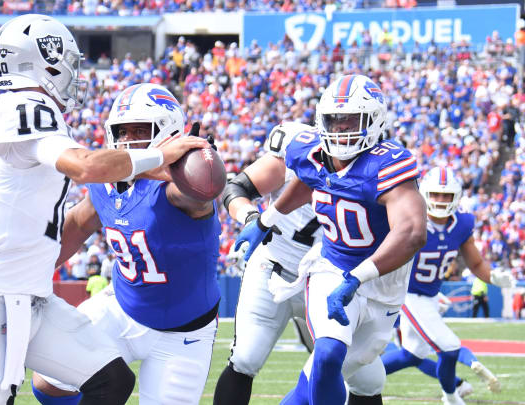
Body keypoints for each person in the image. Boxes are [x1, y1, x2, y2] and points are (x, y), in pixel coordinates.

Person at [0, 16, 207, 405]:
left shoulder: (34, 110)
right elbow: (86, 167)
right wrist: (159, 155)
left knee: (111, 379)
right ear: (43, 61)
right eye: (67, 62)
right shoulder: (23, 107)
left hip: (32, 299)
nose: (72, 73)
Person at [234, 74, 428, 405]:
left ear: (374, 120)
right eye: (334, 121)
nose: (340, 129)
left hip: (382, 282)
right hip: (331, 267)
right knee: (326, 353)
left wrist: (359, 277)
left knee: (320, 378)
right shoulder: (308, 150)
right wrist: (266, 220)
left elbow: (411, 233)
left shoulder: (387, 163)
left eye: (350, 120)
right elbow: (310, 179)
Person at [30, 83, 221, 405]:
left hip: (183, 333)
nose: (129, 141)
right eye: (123, 132)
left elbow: (203, 193)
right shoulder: (106, 180)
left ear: (169, 132)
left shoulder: (178, 188)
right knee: (49, 382)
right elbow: (77, 224)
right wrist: (30, 272)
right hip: (121, 307)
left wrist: (198, 165)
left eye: (139, 131)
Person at [381, 167, 513, 404]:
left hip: (430, 295)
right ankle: (451, 397)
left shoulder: (462, 223)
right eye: (435, 195)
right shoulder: (409, 219)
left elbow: (476, 263)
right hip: (407, 294)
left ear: (456, 197)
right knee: (449, 346)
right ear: (424, 194)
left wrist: (494, 278)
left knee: (411, 355)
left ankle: (353, 380)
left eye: (446, 196)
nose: (440, 201)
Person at [213, 123, 323, 405]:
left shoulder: (370, 164)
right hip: (272, 267)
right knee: (245, 358)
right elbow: (236, 188)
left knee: (352, 371)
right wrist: (252, 218)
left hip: (325, 278)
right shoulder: (296, 149)